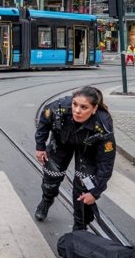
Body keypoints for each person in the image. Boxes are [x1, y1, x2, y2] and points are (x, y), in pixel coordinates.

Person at [34, 86, 116, 231]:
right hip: (62, 140)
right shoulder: (58, 108)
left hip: (88, 148)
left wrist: (95, 192)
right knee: (51, 175)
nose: (77, 110)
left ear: (94, 108)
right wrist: (40, 146)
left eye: (84, 107)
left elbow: (107, 161)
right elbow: (44, 121)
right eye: (75, 104)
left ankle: (80, 225)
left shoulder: (103, 124)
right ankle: (47, 199)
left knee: (85, 186)